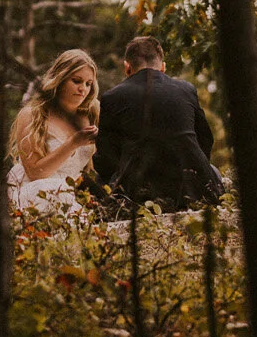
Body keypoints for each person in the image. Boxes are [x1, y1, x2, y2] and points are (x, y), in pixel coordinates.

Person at [88, 36, 224, 213]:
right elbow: (205, 140)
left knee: (100, 182)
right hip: (190, 187)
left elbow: (105, 159)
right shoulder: (186, 89)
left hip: (138, 191)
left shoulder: (112, 97)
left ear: (127, 67)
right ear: (163, 67)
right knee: (213, 170)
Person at [6, 48, 101, 212]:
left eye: (88, 84)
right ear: (60, 79)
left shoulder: (93, 113)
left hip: (69, 193)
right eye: (76, 81)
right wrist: (73, 143)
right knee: (54, 192)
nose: (83, 89)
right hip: (36, 189)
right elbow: (35, 172)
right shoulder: (33, 115)